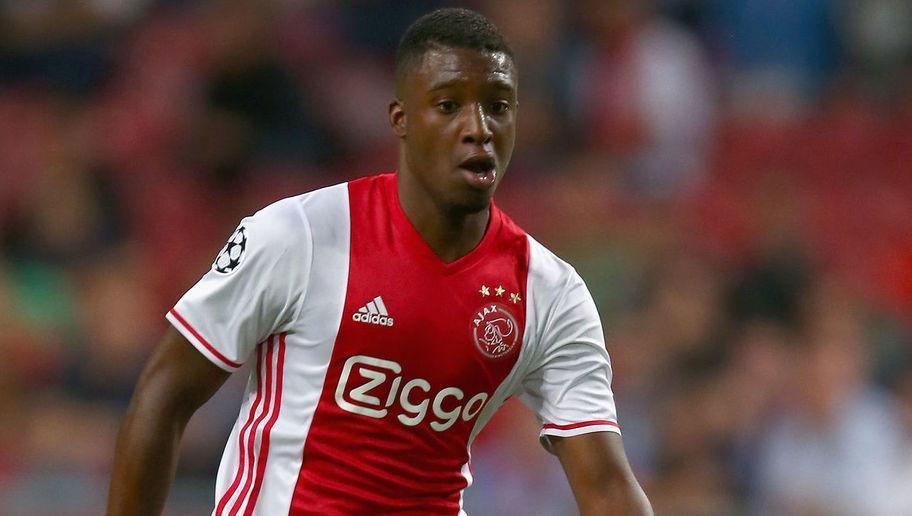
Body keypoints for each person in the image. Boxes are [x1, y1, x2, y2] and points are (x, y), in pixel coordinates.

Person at [107, 7, 652, 515]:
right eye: (448, 105)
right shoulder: (300, 235)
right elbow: (165, 393)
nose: (478, 127)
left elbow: (604, 483)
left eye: (498, 106)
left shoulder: (549, 293)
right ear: (401, 119)